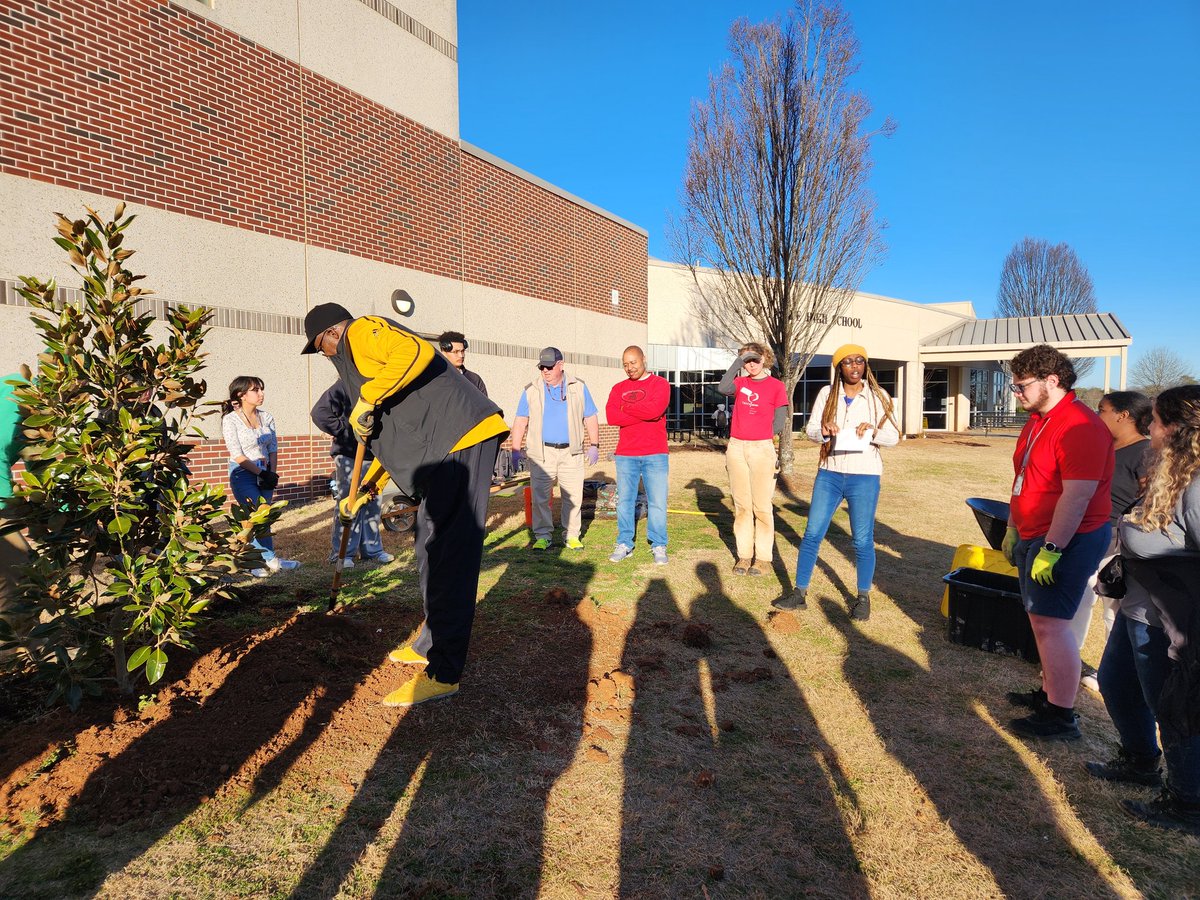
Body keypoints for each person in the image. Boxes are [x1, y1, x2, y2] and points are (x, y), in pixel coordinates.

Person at [303, 302, 507, 707]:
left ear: (331, 334)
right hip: (442, 450)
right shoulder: (367, 371)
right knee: (428, 547)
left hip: (462, 438)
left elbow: (414, 350)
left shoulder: (361, 332)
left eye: (319, 347)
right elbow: (394, 439)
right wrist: (367, 487)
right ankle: (430, 643)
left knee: (451, 554)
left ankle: (444, 673)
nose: (324, 356)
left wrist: (367, 399)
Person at [1001, 344, 1113, 741]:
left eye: (1022, 386)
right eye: (1014, 386)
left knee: (1052, 624)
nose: (1017, 393)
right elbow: (1024, 477)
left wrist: (1052, 549)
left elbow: (1077, 496)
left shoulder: (1080, 426)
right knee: (1040, 620)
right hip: (1036, 533)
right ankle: (1051, 694)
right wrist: (1014, 525)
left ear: (1053, 380)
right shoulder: (1038, 420)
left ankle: (1061, 716)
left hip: (1068, 539)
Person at [1110, 385, 1200, 834]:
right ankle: (1140, 759)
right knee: (1116, 685)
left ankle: (1187, 802)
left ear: (1179, 430)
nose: (1151, 430)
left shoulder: (1198, 489)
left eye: (1158, 422)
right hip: (1135, 608)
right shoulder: (1172, 474)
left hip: (1166, 623)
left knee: (1172, 710)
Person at [775, 344, 898, 620]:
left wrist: (873, 431)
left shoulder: (878, 396)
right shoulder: (827, 394)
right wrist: (824, 430)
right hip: (829, 474)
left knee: (862, 540)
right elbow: (810, 431)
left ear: (865, 365)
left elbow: (893, 437)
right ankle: (799, 593)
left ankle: (863, 598)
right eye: (848, 362)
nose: (855, 366)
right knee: (812, 534)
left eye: (859, 361)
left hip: (864, 476)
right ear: (839, 367)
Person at [1071, 391, 1152, 690]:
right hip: (1087, 531)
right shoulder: (1105, 446)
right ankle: (1067, 659)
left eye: (1102, 410)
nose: (1097, 415)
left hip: (1115, 539)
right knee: (1080, 598)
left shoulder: (1145, 452)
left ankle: (1109, 673)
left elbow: (1149, 499)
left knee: (1112, 607)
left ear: (1123, 415)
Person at [510, 347, 600, 550]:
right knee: (540, 498)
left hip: (571, 452)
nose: (545, 371)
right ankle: (543, 536)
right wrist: (515, 449)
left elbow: (590, 416)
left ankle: (572, 535)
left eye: (549, 367)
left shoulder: (578, 387)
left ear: (561, 365)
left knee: (573, 497)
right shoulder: (531, 390)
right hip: (542, 454)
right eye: (542, 367)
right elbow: (521, 420)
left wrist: (594, 445)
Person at [718, 343, 789, 576]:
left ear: (765, 359)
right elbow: (722, 387)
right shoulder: (740, 383)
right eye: (747, 360)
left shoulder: (776, 386)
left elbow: (780, 420)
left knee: (762, 506)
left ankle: (763, 558)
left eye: (755, 359)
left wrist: (762, 436)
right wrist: (738, 362)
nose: (751, 364)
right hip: (737, 447)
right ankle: (744, 556)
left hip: (761, 448)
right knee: (742, 506)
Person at [221, 376, 300, 579]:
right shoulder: (230, 420)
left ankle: (270, 558)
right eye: (255, 390)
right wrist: (261, 473)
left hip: (265, 472)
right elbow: (237, 454)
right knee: (255, 515)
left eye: (261, 389)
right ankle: (255, 561)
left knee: (265, 516)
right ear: (241, 395)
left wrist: (271, 473)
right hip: (243, 473)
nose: (261, 394)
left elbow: (273, 448)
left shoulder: (267, 417)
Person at [311, 381, 394, 569]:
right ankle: (343, 553)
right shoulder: (345, 384)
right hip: (349, 454)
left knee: (373, 501)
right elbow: (319, 412)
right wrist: (345, 431)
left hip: (375, 455)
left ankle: (372, 550)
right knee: (349, 503)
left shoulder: (383, 384)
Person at [604, 346, 670, 565]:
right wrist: (644, 412)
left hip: (655, 453)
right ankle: (625, 543)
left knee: (657, 502)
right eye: (625, 364)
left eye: (633, 362)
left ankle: (658, 544)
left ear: (643, 359)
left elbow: (655, 411)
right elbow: (612, 417)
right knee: (625, 501)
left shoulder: (660, 384)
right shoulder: (618, 388)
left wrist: (626, 408)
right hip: (626, 454)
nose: (629, 368)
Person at [437, 331, 487, 396]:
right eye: (456, 352)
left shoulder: (474, 379)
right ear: (443, 352)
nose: (461, 355)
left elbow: (484, 402)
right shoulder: (436, 377)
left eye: (462, 351)